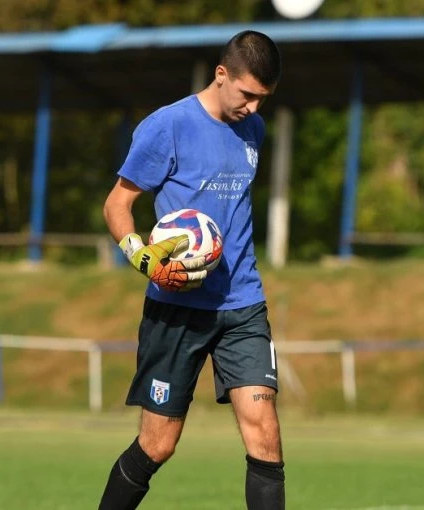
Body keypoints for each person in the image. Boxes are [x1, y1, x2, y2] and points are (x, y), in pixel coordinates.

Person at [98, 30, 285, 510]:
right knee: (158, 445)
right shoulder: (167, 126)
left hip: (242, 302)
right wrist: (142, 256)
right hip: (176, 308)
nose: (254, 110)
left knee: (264, 435)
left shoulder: (254, 130)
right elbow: (118, 204)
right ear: (221, 75)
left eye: (263, 99)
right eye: (247, 95)